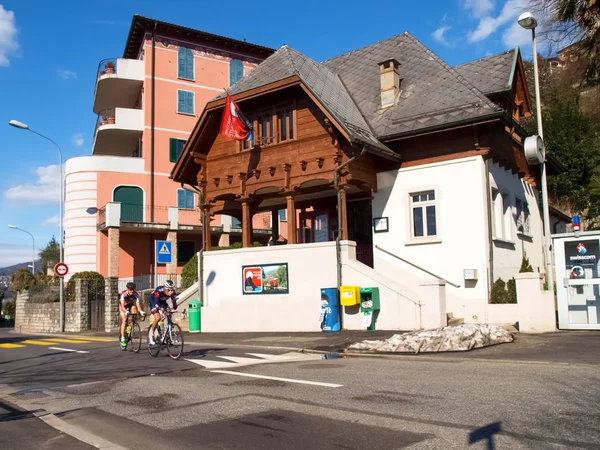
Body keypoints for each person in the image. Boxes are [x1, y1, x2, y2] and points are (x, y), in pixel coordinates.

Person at [148, 279, 178, 345]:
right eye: (168, 290)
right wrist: (160, 308)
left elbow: (175, 306)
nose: (170, 291)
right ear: (164, 288)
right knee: (157, 317)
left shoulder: (172, 292)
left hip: (162, 302)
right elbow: (156, 303)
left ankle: (165, 334)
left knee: (168, 314)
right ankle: (151, 333)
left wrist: (174, 301)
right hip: (153, 301)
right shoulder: (158, 290)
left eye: (172, 289)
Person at [119, 282, 145, 349]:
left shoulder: (136, 294)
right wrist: (126, 311)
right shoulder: (123, 294)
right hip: (123, 306)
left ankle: (133, 325)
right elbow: (122, 306)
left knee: (134, 311)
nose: (132, 291)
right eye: (130, 289)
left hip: (130, 305)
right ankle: (122, 338)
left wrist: (141, 311)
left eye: (133, 289)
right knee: (124, 320)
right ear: (127, 289)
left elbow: (138, 305)